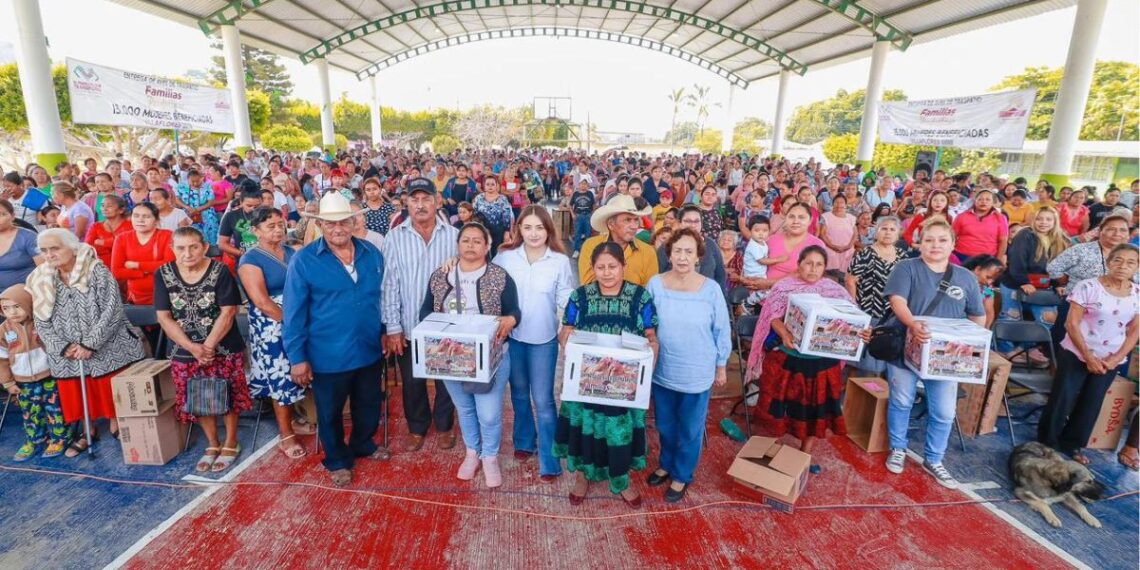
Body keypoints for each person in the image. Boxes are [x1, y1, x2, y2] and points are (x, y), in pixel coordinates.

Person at [285, 192, 387, 485]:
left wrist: (384, 331)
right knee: (329, 412)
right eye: (330, 224)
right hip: (327, 354)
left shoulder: (371, 252)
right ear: (319, 225)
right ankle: (337, 460)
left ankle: (363, 443)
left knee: (369, 403)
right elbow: (293, 313)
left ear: (354, 222)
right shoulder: (304, 261)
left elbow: (381, 297)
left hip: (368, 347)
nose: (338, 228)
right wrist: (297, 358)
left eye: (343, 222)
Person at [881, 219, 986, 488]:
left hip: (945, 357)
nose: (935, 245)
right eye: (929, 240)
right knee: (902, 401)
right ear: (920, 243)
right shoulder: (906, 267)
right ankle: (898, 448)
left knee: (944, 411)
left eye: (942, 240)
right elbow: (897, 300)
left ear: (953, 244)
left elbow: (977, 315)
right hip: (907, 347)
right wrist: (912, 324)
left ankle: (934, 458)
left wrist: (971, 345)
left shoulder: (966, 277)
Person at [555, 242, 658, 508]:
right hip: (586, 381)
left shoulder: (640, 297)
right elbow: (566, 330)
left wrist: (648, 365)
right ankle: (583, 475)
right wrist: (566, 339)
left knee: (618, 432)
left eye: (613, 266)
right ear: (593, 268)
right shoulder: (580, 296)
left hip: (623, 383)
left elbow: (651, 336)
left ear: (624, 266)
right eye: (600, 267)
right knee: (586, 428)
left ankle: (621, 479)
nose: (607, 272)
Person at [27, 229, 146, 457]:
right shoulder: (40, 277)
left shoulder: (96, 270)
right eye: (44, 250)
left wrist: (90, 344)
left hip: (105, 342)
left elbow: (112, 310)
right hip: (67, 349)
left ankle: (116, 423)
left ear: (72, 248)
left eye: (55, 248)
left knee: (109, 379)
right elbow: (40, 319)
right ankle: (87, 429)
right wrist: (62, 346)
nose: (49, 255)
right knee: (73, 384)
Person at [420, 222, 520, 488]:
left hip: (491, 357)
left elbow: (514, 311)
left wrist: (510, 320)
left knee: (488, 414)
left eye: (477, 241)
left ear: (487, 246)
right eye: (466, 240)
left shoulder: (499, 276)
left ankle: (490, 456)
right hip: (451, 357)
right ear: (458, 245)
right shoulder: (441, 276)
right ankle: (472, 452)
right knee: (464, 408)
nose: (471, 245)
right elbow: (425, 312)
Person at [747, 246, 866, 456]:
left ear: (825, 268)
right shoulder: (784, 287)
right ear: (799, 264)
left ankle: (805, 452)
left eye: (819, 264)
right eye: (808, 263)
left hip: (822, 362)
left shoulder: (835, 290)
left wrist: (862, 332)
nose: (813, 268)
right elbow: (772, 317)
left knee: (815, 408)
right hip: (790, 357)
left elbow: (852, 319)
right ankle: (771, 449)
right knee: (779, 406)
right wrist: (784, 333)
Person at [155, 227, 251, 473]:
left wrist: (207, 347)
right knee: (197, 396)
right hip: (184, 349)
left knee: (228, 394)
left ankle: (230, 441)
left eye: (193, 247)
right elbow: (164, 317)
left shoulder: (220, 271)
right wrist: (192, 348)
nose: (187, 253)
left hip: (223, 346)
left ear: (205, 247)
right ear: (172, 249)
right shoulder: (163, 274)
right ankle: (212, 443)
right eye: (180, 248)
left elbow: (228, 311)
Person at [646, 228, 730, 502]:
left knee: (690, 429)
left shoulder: (711, 289)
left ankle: (682, 474)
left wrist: (721, 365)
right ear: (669, 254)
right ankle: (666, 464)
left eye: (689, 252)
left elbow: (721, 329)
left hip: (697, 371)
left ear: (698, 257)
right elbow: (646, 324)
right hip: (664, 369)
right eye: (677, 251)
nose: (682, 257)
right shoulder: (655, 284)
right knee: (665, 424)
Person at [492, 205, 574, 481]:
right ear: (519, 229)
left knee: (543, 399)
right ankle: (524, 441)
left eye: (539, 227)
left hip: (544, 341)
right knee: (518, 394)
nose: (534, 233)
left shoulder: (559, 261)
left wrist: (570, 324)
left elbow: (566, 297)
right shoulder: (506, 258)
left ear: (548, 230)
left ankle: (550, 459)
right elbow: (488, 283)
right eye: (527, 227)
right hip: (512, 339)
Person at [1038, 244, 1138, 465]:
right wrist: (1088, 356)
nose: (1123, 266)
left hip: (1110, 358)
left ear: (1137, 267)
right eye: (1118, 260)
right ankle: (1047, 443)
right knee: (1062, 397)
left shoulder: (1137, 293)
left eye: (1131, 262)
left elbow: (1134, 331)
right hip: (1077, 351)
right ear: (1109, 262)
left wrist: (1115, 359)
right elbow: (1071, 324)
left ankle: (1072, 444)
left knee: (1092, 401)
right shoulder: (1088, 286)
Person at [382, 178, 459, 452]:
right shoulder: (394, 237)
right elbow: (389, 284)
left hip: (446, 325)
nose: (420, 204)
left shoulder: (454, 235)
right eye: (414, 199)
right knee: (412, 381)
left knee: (446, 380)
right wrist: (393, 327)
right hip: (409, 324)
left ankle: (445, 426)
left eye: (426, 198)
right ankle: (417, 427)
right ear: (406, 203)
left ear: (437, 201)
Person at [237, 207, 310, 460]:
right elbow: (262, 301)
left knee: (301, 368)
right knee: (280, 377)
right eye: (271, 226)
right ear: (255, 231)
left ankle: (298, 418)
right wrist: (291, 324)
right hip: (273, 324)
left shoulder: (291, 252)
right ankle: (285, 434)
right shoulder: (250, 259)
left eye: (280, 224)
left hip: (297, 317)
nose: (278, 230)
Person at [0, 284, 67, 460]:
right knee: (30, 412)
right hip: (22, 381)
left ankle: (58, 439)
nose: (12, 312)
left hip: (48, 376)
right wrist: (8, 382)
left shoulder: (41, 323)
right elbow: (2, 360)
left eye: (17, 306)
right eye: (6, 308)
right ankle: (35, 440)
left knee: (54, 409)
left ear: (28, 303)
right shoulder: (3, 331)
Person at [996, 206, 1069, 363]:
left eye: (1048, 219)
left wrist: (1058, 284)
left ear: (1055, 221)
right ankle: (1004, 350)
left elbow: (1060, 266)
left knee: (1049, 319)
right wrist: (1024, 281)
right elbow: (1016, 261)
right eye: (1039, 219)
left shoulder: (1061, 239)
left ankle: (1022, 349)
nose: (1043, 222)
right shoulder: (1025, 234)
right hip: (1015, 282)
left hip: (1043, 287)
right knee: (1012, 316)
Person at [577, 194, 659, 286]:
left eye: (636, 220)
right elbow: (587, 286)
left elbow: (649, 290)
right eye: (627, 220)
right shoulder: (591, 246)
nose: (634, 226)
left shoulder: (648, 252)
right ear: (611, 224)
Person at [110, 203, 175, 306]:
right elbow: (117, 272)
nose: (140, 220)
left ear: (156, 220)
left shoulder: (167, 235)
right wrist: (143, 272)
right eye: (136, 216)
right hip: (135, 297)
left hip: (166, 294)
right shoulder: (122, 238)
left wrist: (137, 265)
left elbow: (169, 266)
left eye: (146, 216)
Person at [657, 206, 726, 289]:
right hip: (673, 293)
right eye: (688, 221)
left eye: (696, 221)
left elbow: (720, 276)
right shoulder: (669, 244)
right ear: (679, 223)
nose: (693, 225)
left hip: (706, 294)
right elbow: (658, 273)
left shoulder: (711, 244)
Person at [763, 202, 826, 282]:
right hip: (763, 287)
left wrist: (768, 283)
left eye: (801, 217)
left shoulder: (817, 245)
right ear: (786, 219)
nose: (795, 221)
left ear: (810, 220)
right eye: (791, 217)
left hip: (800, 289)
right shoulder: (772, 240)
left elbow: (811, 274)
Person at [951, 190, 1008, 264]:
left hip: (987, 259)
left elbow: (1003, 241)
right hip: (961, 255)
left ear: (993, 203)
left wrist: (998, 261)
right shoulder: (962, 216)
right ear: (975, 201)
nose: (984, 202)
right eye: (980, 199)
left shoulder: (1000, 218)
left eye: (988, 199)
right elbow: (952, 236)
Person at [0, 200, 42, 292]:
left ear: (13, 216)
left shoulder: (28, 237)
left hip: (23, 290)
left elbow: (44, 268)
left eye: (2, 214)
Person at [217, 184, 263, 262]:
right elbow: (222, 244)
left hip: (266, 256)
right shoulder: (231, 216)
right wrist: (241, 253)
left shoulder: (268, 215)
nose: (253, 209)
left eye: (257, 206)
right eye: (249, 205)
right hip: (244, 259)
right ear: (241, 202)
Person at [84, 194, 132, 268]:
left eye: (109, 206)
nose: (104, 209)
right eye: (102, 205)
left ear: (121, 210)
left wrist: (103, 242)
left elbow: (127, 247)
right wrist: (113, 246)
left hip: (124, 267)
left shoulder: (130, 225)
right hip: (101, 268)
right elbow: (88, 248)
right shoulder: (95, 226)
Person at [175, 170, 220, 244]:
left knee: (211, 227)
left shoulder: (207, 186)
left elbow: (211, 202)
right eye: (192, 181)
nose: (195, 183)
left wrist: (198, 209)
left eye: (197, 181)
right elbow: (177, 199)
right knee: (190, 232)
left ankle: (212, 246)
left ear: (201, 178)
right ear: (188, 179)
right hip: (188, 212)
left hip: (206, 211)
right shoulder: (181, 186)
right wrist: (187, 207)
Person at [472, 176, 515, 253]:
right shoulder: (479, 198)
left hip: (498, 230)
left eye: (492, 184)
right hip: (482, 230)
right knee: (482, 252)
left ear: (496, 185)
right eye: (488, 184)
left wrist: (507, 232)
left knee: (497, 252)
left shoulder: (503, 199)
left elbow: (507, 216)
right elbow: (474, 213)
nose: (490, 186)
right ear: (484, 186)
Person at [819, 194, 856, 272]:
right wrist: (833, 247)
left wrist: (848, 246)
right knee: (831, 275)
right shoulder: (826, 216)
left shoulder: (851, 218)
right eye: (836, 202)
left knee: (845, 274)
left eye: (841, 202)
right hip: (830, 250)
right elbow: (822, 234)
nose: (839, 205)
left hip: (848, 251)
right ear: (833, 204)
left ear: (846, 205)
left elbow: (855, 234)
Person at [569, 178, 596, 258]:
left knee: (588, 233)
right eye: (581, 184)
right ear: (579, 185)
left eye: (585, 184)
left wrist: (592, 214)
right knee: (577, 234)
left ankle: (587, 250)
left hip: (588, 215)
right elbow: (570, 205)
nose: (583, 185)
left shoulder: (590, 193)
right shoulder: (575, 194)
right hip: (578, 215)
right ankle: (576, 250)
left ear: (587, 185)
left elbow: (594, 205)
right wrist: (573, 214)